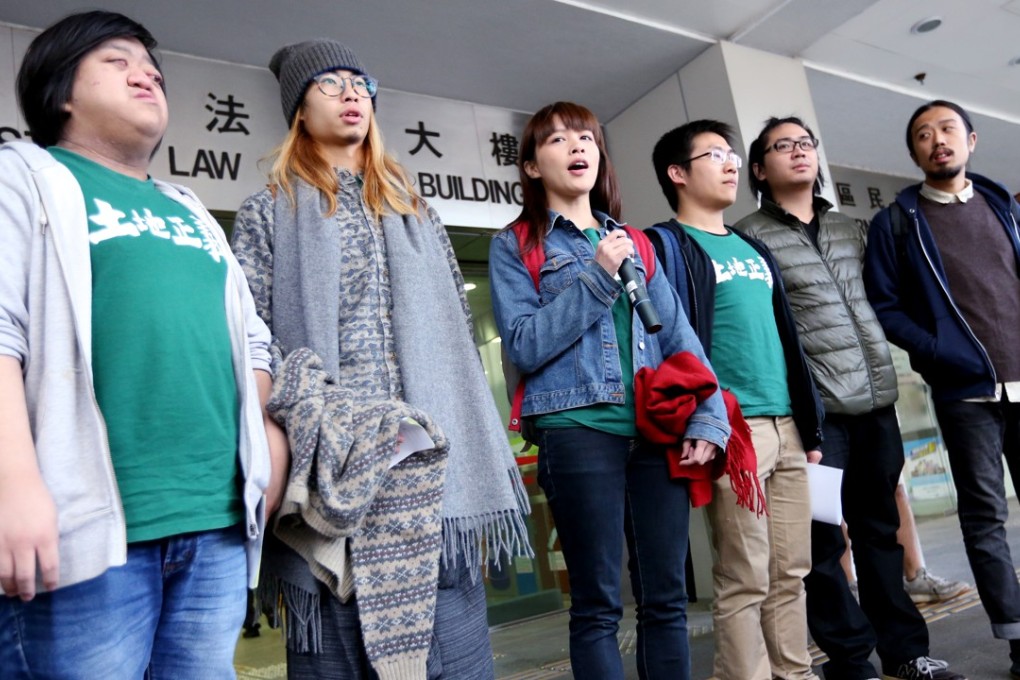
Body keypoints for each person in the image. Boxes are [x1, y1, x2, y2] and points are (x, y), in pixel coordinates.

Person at [231, 39, 532, 680]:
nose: (350, 94)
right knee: (338, 651)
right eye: (329, 84)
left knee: (456, 653)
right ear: (298, 110)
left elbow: (453, 327)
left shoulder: (416, 211)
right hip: (333, 468)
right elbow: (250, 339)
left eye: (359, 82)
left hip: (428, 468)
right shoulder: (268, 213)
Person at [0, 10, 277, 679]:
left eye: (150, 65)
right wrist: (13, 481)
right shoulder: (23, 176)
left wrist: (267, 441)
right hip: (81, 533)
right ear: (61, 91)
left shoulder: (187, 208)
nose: (146, 72)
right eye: (116, 61)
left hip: (214, 526)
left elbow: (254, 343)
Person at [489, 101, 730, 680]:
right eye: (558, 140)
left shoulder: (637, 244)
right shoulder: (518, 244)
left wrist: (709, 418)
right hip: (576, 432)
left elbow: (682, 339)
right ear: (529, 166)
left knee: (666, 600)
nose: (577, 148)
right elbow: (522, 343)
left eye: (586, 139)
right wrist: (597, 278)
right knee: (598, 605)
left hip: (656, 433)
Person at [736, 116, 965, 680]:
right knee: (817, 546)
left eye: (806, 143)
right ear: (760, 169)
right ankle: (848, 659)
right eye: (782, 146)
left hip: (875, 406)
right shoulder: (750, 237)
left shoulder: (852, 230)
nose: (799, 152)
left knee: (879, 535)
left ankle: (907, 654)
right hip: (814, 420)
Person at [645, 119, 823, 680]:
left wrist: (808, 427)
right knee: (744, 574)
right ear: (678, 173)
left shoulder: (752, 246)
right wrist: (703, 420)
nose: (729, 164)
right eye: (714, 154)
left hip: (786, 424)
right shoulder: (665, 245)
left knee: (791, 570)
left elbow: (786, 339)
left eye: (731, 154)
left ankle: (793, 674)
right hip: (733, 428)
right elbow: (660, 343)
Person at [865, 98, 1020, 679]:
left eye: (948, 130)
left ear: (971, 140)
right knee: (985, 521)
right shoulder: (898, 222)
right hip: (966, 394)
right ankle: (1017, 640)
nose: (938, 141)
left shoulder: (1002, 205)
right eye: (924, 135)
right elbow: (886, 306)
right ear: (915, 153)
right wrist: (937, 353)